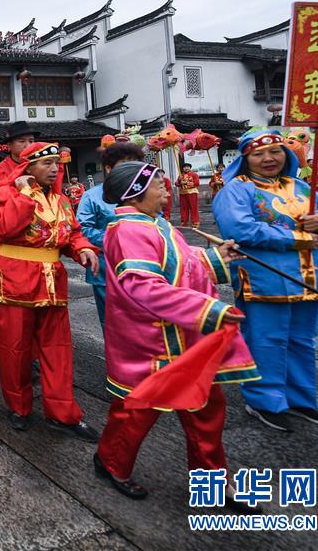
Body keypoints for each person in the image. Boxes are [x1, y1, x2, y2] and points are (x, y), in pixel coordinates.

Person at [93, 162, 257, 500]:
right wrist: (209, 310)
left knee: (206, 410)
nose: (166, 188)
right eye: (158, 184)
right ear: (135, 194)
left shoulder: (156, 223)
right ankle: (110, 462)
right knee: (136, 413)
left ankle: (214, 481)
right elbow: (145, 287)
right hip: (153, 344)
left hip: (184, 339)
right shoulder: (128, 230)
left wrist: (216, 257)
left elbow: (181, 264)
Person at [213, 130, 318, 432]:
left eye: (275, 151)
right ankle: (264, 401)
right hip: (264, 279)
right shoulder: (236, 190)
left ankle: (300, 399)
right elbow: (240, 229)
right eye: (258, 154)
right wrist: (297, 238)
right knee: (266, 341)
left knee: (302, 340)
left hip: (310, 277)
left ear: (286, 154)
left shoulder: (301, 186)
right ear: (246, 159)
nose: (268, 158)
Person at [0, 142, 101, 439]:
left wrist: (83, 248)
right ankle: (18, 407)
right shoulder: (6, 194)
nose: (54, 169)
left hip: (52, 286)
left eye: (56, 164)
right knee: (15, 351)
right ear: (28, 168)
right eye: (47, 164)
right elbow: (3, 228)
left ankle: (62, 413)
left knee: (58, 351)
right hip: (16, 284)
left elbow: (72, 233)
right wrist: (25, 194)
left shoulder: (61, 200)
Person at [76, 142, 144, 329]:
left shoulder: (144, 193)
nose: (131, 169)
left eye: (135, 164)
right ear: (108, 168)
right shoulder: (92, 196)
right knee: (112, 323)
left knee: (143, 323)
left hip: (143, 266)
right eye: (125, 164)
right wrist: (118, 240)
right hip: (107, 266)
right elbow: (83, 229)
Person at [0, 121, 39, 202]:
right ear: (9, 146)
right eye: (22, 141)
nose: (28, 145)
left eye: (31, 141)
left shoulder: (41, 167)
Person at [175, 162, 200, 227]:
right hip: (183, 193)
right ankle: (184, 221)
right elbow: (176, 183)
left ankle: (195, 222)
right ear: (183, 168)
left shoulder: (194, 175)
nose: (186, 168)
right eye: (185, 167)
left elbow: (196, 183)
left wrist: (186, 183)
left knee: (193, 208)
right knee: (184, 208)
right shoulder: (180, 176)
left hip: (192, 192)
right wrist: (180, 182)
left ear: (190, 168)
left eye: (188, 167)